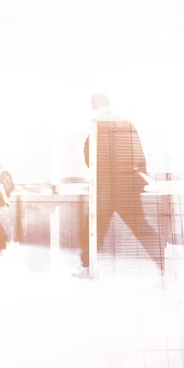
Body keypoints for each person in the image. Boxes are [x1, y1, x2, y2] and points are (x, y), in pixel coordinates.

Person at [74, 93, 164, 278]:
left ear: (93, 105)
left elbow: (88, 157)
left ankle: (87, 267)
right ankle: (166, 265)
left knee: (92, 227)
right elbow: (139, 154)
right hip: (126, 187)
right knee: (141, 227)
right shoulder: (126, 123)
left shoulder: (95, 125)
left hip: (104, 189)